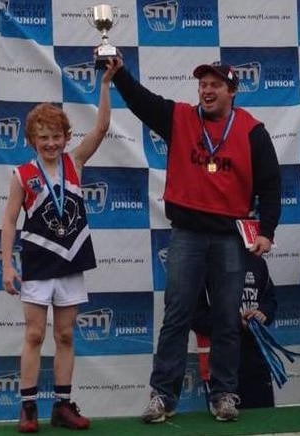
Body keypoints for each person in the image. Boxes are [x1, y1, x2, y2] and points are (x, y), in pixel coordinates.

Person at [106, 58, 281, 422]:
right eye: (203, 83)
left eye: (215, 84)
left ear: (232, 91)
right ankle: (162, 396)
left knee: (226, 320)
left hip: (229, 238)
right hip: (186, 234)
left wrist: (266, 231)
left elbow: (271, 184)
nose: (206, 89)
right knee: (177, 315)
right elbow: (141, 100)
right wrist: (119, 72)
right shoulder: (181, 119)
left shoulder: (252, 131)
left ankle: (224, 395)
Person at [1, 66, 115, 432]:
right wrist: (7, 265)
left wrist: (106, 85)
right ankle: (28, 406)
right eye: (42, 137)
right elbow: (8, 221)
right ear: (32, 140)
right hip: (37, 263)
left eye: (56, 136)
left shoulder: (74, 162)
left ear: (66, 137)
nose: (50, 143)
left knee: (65, 335)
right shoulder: (22, 174)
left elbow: (100, 128)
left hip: (70, 262)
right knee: (34, 334)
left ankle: (62, 406)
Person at [193, 251, 277, 409]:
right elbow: (195, 316)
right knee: (226, 425)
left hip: (257, 359)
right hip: (220, 365)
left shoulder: (257, 261)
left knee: (264, 422)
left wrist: (263, 314)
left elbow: (270, 301)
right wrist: (234, 322)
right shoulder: (204, 265)